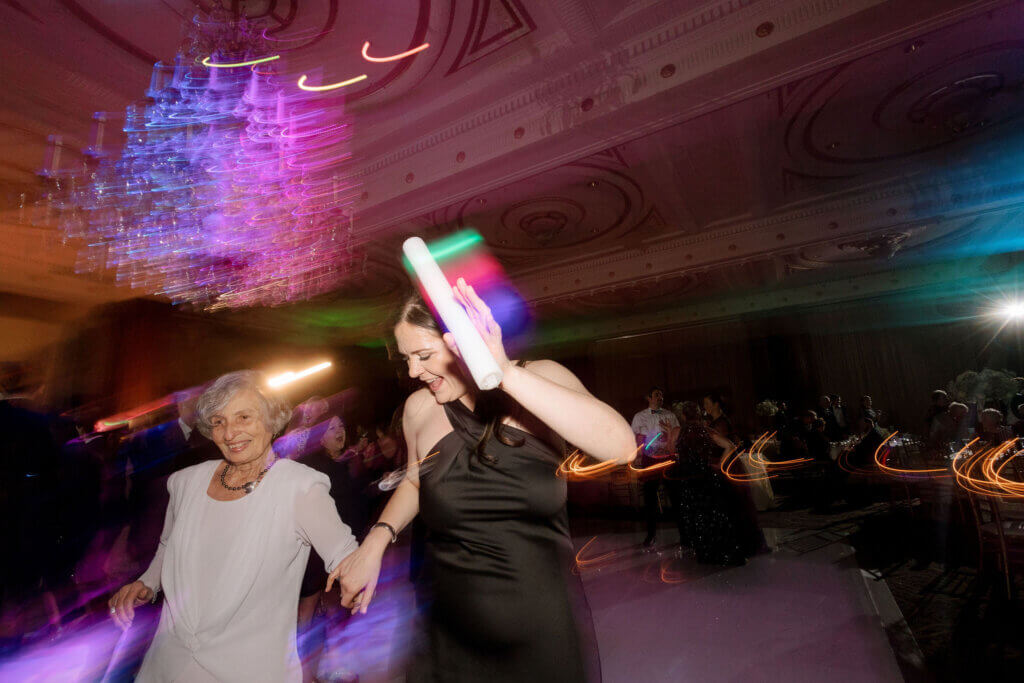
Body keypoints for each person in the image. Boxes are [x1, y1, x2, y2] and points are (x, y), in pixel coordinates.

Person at [331, 281, 635, 683]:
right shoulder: (419, 408)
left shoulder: (539, 379)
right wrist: (375, 541)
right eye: (406, 359)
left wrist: (503, 373)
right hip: (447, 632)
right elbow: (417, 481)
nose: (412, 371)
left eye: (423, 355)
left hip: (539, 630)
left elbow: (621, 447)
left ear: (464, 342)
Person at [107, 371, 358, 682]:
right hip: (170, 661)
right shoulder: (186, 482)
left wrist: (369, 558)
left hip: (250, 667)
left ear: (272, 419)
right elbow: (168, 546)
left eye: (243, 417)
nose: (229, 433)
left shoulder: (300, 487)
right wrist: (147, 583)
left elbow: (345, 555)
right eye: (219, 422)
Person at [674, 401, 761, 565]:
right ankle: (722, 552)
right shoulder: (704, 430)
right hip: (705, 477)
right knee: (713, 515)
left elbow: (675, 454)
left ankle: (706, 552)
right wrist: (719, 465)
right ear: (698, 415)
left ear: (683, 416)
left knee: (698, 516)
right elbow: (729, 445)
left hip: (689, 480)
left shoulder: (680, 433)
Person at [631, 387, 681, 549]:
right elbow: (635, 437)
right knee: (650, 498)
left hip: (668, 457)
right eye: (657, 395)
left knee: (675, 496)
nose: (660, 397)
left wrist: (669, 434)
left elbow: (677, 435)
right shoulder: (639, 417)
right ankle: (651, 535)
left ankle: (685, 534)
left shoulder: (670, 415)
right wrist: (643, 440)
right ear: (649, 398)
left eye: (662, 395)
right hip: (649, 459)